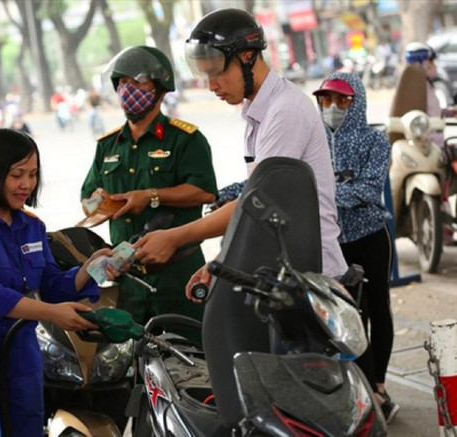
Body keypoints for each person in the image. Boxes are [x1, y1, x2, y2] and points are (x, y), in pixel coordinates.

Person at [134, 9, 347, 284]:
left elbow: (255, 202)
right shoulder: (258, 112)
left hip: (314, 274)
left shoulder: (285, 111)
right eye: (205, 76)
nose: (211, 85)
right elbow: (259, 204)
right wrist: (223, 262)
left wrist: (176, 237)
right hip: (284, 270)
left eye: (217, 72)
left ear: (248, 56)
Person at [0, 128, 118, 436]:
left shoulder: (31, 225)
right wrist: (53, 314)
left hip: (20, 353)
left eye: (33, 175)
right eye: (16, 174)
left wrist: (87, 269)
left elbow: (49, 285)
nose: (26, 184)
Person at [80, 45, 218, 333]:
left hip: (179, 273)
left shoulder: (185, 139)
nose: (126, 90)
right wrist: (98, 203)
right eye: (122, 84)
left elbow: (205, 192)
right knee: (135, 361)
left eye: (136, 82)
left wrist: (151, 196)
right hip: (127, 277)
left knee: (190, 359)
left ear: (160, 88)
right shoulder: (107, 146)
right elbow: (88, 196)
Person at [313, 72, 399, 423]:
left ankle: (378, 385)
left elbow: (367, 191)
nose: (332, 108)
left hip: (369, 239)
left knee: (378, 311)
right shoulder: (312, 141)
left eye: (342, 100)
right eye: (326, 100)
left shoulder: (375, 142)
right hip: (331, 245)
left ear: (357, 102)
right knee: (342, 319)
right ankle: (356, 386)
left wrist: (321, 193)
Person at [390, 41, 456, 245]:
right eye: (431, 61)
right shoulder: (410, 86)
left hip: (436, 145)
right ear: (422, 62)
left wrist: (448, 112)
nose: (433, 65)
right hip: (422, 145)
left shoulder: (427, 85)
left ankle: (444, 223)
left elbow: (431, 113)